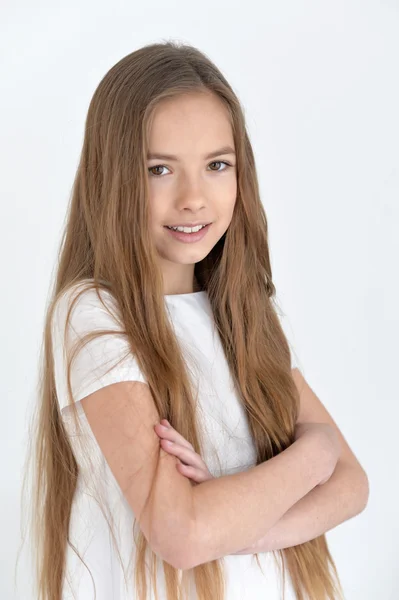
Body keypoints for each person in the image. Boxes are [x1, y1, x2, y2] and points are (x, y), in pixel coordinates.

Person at [28, 41, 369, 600]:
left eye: (216, 165)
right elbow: (184, 535)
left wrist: (238, 523)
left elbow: (352, 487)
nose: (193, 198)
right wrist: (316, 452)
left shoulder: (244, 312)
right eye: (160, 169)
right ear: (112, 178)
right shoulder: (94, 312)